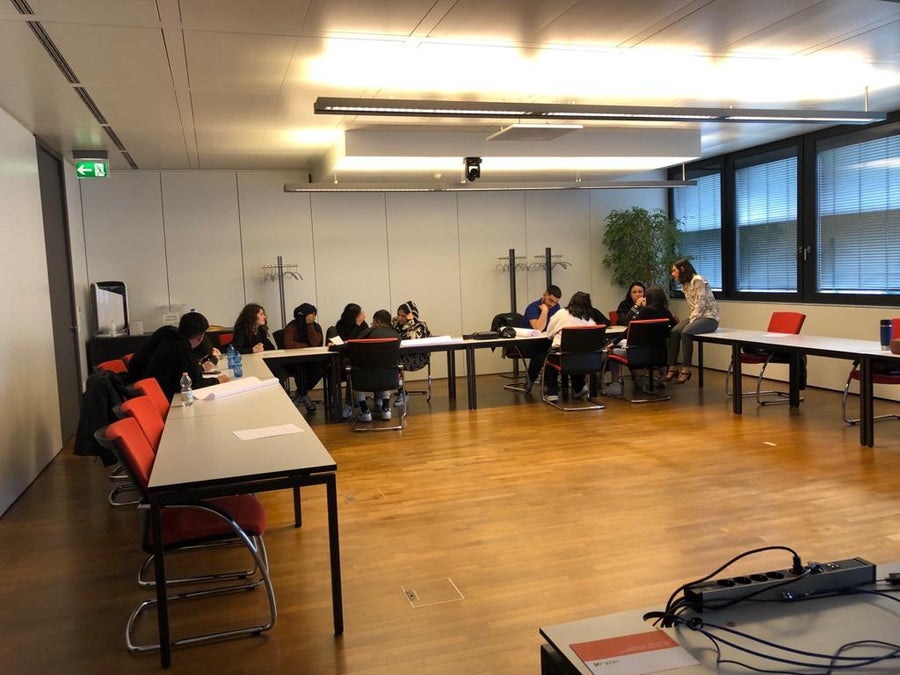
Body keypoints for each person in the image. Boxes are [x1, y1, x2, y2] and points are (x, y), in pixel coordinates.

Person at [127, 311, 228, 400]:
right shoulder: (181, 348)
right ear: (200, 337)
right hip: (165, 395)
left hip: (145, 390)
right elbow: (194, 383)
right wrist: (218, 380)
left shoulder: (169, 337)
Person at [605, 286, 677, 395]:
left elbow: (630, 328)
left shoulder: (645, 311)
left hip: (639, 354)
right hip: (659, 355)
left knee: (611, 351)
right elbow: (673, 329)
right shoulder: (666, 312)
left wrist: (614, 343)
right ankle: (662, 377)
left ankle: (615, 383)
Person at [667, 258, 719, 384]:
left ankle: (686, 369)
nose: (673, 274)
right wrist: (692, 320)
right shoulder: (685, 284)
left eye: (674, 271)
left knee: (686, 332)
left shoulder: (698, 280)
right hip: (697, 317)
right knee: (674, 331)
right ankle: (672, 367)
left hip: (709, 318)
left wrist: (691, 322)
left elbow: (700, 304)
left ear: (682, 269)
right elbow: (694, 306)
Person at [542, 291, 597, 401]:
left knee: (550, 357)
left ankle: (553, 392)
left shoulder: (561, 313)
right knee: (575, 355)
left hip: (562, 356)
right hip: (586, 360)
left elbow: (549, 334)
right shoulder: (590, 320)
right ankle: (579, 387)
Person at [351, 309, 397, 422]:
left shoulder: (367, 333)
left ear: (377, 322)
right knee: (385, 368)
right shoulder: (396, 335)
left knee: (355, 369)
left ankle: (365, 410)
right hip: (389, 379)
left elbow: (352, 346)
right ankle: (386, 408)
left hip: (365, 379)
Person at [519, 285, 562, 393]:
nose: (552, 304)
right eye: (550, 300)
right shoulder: (532, 307)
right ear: (544, 295)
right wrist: (544, 311)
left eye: (555, 302)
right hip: (527, 343)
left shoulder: (556, 307)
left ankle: (549, 383)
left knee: (555, 351)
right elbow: (538, 328)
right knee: (542, 352)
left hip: (546, 341)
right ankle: (530, 380)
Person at [283, 303, 324, 413]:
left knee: (320, 369)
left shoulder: (316, 327)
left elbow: (316, 343)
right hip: (294, 360)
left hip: (312, 360)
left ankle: (301, 394)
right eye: (312, 315)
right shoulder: (292, 326)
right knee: (300, 368)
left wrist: (310, 326)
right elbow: (289, 344)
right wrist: (307, 346)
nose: (314, 317)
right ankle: (303, 395)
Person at [392, 300, 431, 407]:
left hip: (418, 357)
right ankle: (398, 391)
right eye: (398, 315)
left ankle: (402, 393)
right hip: (400, 355)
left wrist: (411, 322)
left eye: (403, 316)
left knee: (394, 363)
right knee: (389, 361)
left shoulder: (420, 326)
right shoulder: (395, 322)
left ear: (411, 315)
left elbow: (413, 341)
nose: (400, 318)